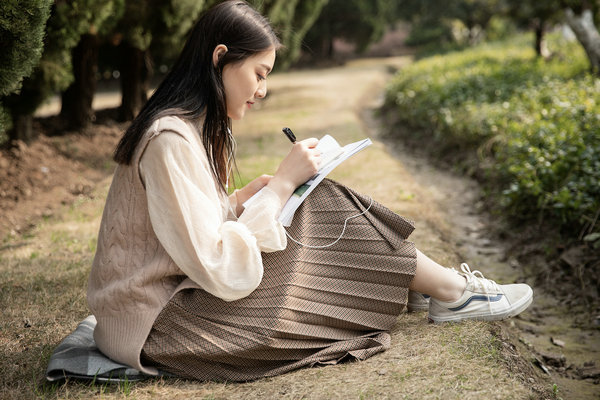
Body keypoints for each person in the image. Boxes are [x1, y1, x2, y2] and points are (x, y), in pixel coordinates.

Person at [87, 0, 533, 382]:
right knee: (315, 201)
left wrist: (243, 198)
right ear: (220, 58)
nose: (261, 91)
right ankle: (449, 292)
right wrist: (280, 186)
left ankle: (433, 287)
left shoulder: (186, 129)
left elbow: (184, 228)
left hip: (172, 308)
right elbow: (219, 266)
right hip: (161, 327)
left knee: (311, 196)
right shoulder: (170, 137)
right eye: (259, 74)